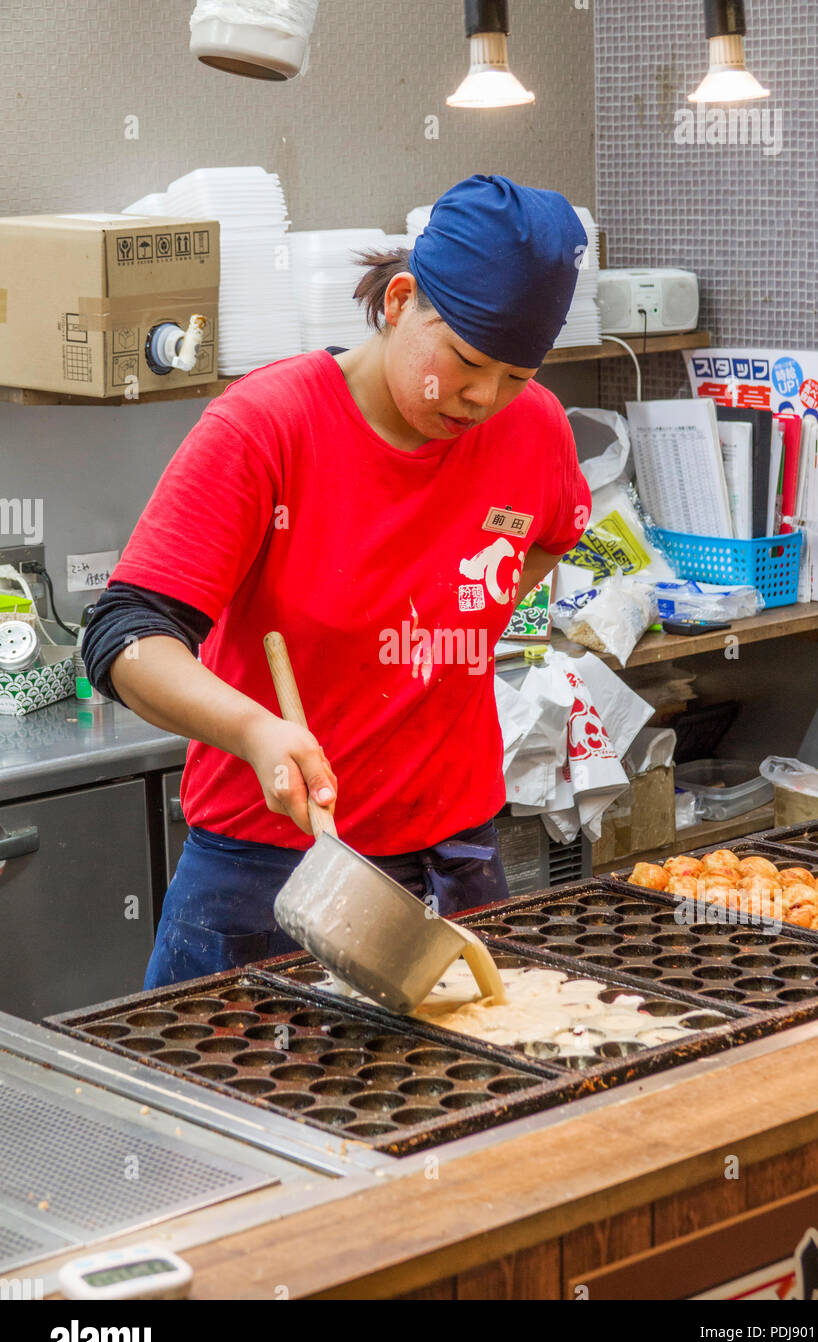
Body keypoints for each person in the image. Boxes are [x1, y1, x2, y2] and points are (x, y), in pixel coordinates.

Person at [83, 173, 591, 989]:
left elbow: (546, 537)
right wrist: (255, 733)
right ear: (398, 301)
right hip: (268, 871)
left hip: (456, 858)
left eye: (515, 376)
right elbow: (124, 635)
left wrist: (438, 633)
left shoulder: (533, 430)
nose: (481, 398)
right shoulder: (268, 427)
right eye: (464, 360)